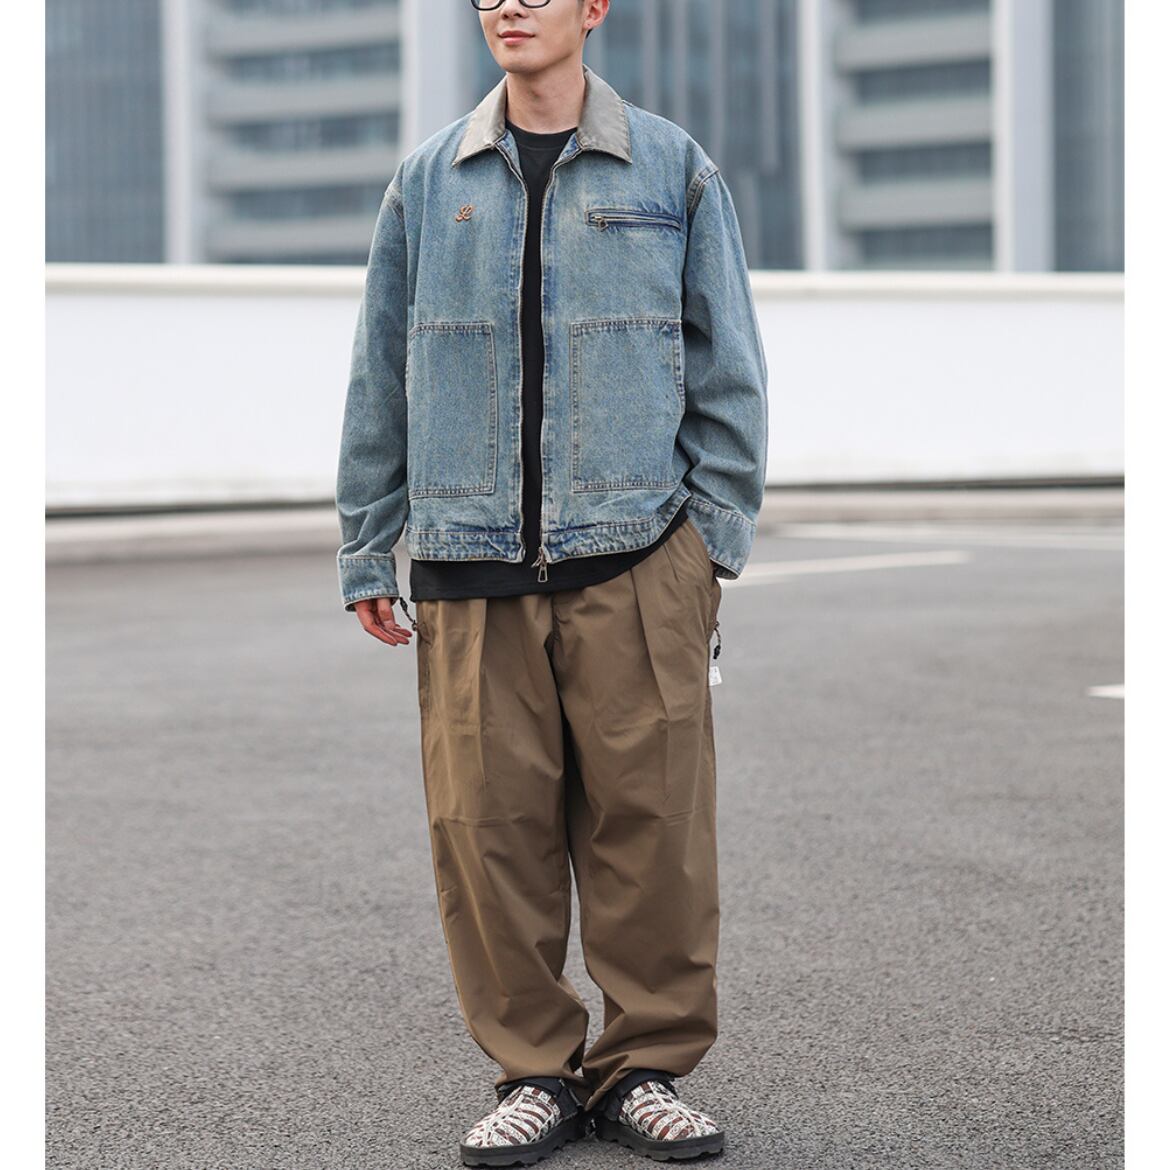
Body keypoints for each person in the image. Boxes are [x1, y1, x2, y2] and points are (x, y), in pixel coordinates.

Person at [335, 0, 768, 1163]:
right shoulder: (427, 181)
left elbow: (730, 366)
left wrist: (707, 548)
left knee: (655, 831)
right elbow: (380, 375)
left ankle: (644, 1068)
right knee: (487, 836)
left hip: (637, 553)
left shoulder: (671, 169)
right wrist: (369, 542)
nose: (509, 5)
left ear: (593, 9)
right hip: (468, 563)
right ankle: (533, 1071)